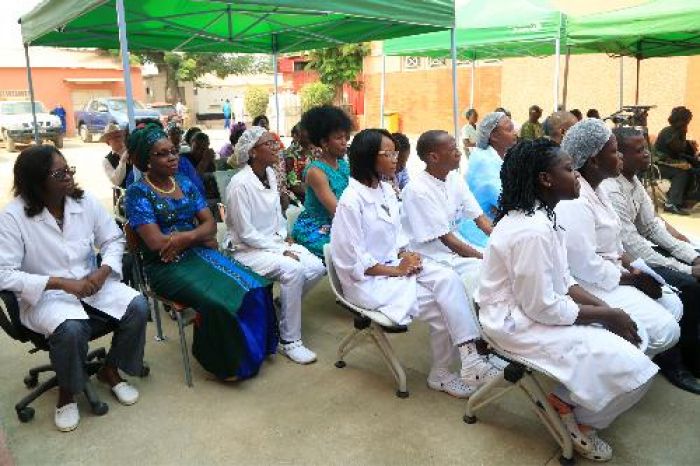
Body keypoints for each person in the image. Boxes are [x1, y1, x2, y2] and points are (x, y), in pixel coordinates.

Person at [478, 138, 657, 462]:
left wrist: (608, 311)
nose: (576, 176)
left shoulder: (544, 217)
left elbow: (564, 281)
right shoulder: (530, 230)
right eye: (568, 169)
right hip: (514, 324)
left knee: (635, 339)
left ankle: (565, 401)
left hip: (536, 311)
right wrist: (606, 317)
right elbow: (542, 307)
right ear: (545, 179)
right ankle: (580, 423)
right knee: (637, 373)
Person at [331, 128, 500, 398]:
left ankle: (470, 359)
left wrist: (405, 255)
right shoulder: (351, 202)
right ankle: (443, 373)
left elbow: (397, 238)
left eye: (395, 152)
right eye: (388, 153)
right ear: (367, 158)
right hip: (366, 281)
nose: (396, 158)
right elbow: (352, 261)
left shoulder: (386, 190)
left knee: (448, 279)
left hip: (392, 269)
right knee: (440, 305)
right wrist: (396, 269)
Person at [0, 145, 148, 432]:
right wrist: (58, 282)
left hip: (91, 283)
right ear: (35, 180)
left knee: (137, 306)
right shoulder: (13, 217)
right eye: (59, 173)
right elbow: (4, 274)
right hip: (47, 295)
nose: (68, 176)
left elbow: (113, 240)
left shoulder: (84, 202)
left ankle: (110, 369)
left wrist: (104, 271)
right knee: (71, 329)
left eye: (69, 169)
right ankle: (67, 393)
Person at [124, 124, 277, 381]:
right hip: (165, 267)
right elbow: (156, 244)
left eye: (173, 151)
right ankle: (228, 365)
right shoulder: (138, 193)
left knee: (254, 284)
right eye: (162, 154)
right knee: (217, 302)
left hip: (196, 252)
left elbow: (209, 224)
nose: (173, 157)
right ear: (145, 161)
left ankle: (257, 348)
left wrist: (186, 237)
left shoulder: (184, 181)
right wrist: (197, 237)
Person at [555, 119, 681, 362]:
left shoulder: (598, 188)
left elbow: (616, 245)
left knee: (673, 305)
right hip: (590, 283)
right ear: (593, 160)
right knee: (666, 331)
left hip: (612, 273)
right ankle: (620, 364)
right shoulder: (576, 201)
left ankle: (635, 358)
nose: (621, 157)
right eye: (614, 152)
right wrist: (631, 280)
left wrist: (638, 270)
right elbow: (584, 267)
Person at [601, 126, 700, 391]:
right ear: (618, 155)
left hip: (637, 252)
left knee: (695, 261)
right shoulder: (611, 189)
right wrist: (687, 270)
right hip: (626, 260)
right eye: (639, 150)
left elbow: (653, 227)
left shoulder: (633, 182)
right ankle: (674, 364)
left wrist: (692, 257)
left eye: (645, 147)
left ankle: (693, 352)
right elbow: (634, 246)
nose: (647, 154)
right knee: (688, 287)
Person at [225, 127, 326, 364]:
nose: (277, 147)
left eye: (275, 142)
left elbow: (275, 215)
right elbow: (245, 232)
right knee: (293, 270)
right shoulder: (239, 184)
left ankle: (282, 305)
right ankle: (290, 341)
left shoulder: (270, 173)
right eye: (269, 144)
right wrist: (280, 249)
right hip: (245, 250)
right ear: (252, 152)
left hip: (272, 243)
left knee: (317, 266)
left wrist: (284, 236)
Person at [402, 130, 491, 294]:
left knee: (497, 262)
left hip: (454, 246)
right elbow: (447, 239)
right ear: (434, 157)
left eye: (456, 147)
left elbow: (481, 219)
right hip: (431, 254)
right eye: (452, 150)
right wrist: (485, 258)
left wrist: (504, 242)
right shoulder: (418, 190)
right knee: (486, 269)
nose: (458, 153)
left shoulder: (455, 179)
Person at [291, 105, 353, 258]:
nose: (344, 142)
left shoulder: (344, 166)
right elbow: (337, 210)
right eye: (338, 138)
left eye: (345, 137)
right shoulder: (316, 172)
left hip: (341, 223)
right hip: (318, 228)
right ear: (324, 142)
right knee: (351, 250)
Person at [457, 111, 517, 249]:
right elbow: (507, 202)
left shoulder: (500, 155)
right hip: (477, 228)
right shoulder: (484, 160)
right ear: (494, 136)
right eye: (509, 129)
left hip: (495, 221)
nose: (514, 132)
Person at [654, 106, 700, 214]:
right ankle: (672, 202)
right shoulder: (669, 131)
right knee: (682, 173)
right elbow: (678, 148)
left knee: (695, 165)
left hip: (669, 162)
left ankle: (687, 198)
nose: (687, 124)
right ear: (681, 120)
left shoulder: (675, 131)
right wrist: (684, 135)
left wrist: (688, 142)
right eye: (686, 121)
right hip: (660, 164)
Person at [101, 123, 131, 188]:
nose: (117, 139)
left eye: (119, 136)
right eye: (113, 137)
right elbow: (117, 181)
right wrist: (122, 161)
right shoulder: (107, 161)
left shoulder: (132, 150)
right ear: (107, 142)